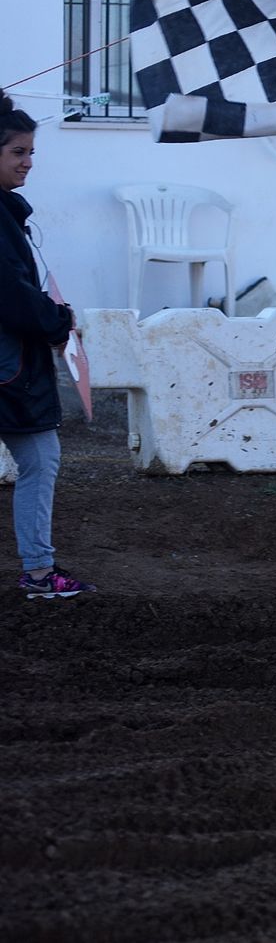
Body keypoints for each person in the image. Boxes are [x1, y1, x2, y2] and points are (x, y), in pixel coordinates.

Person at [0, 88, 96, 600]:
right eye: (18, 152)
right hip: (9, 371)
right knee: (41, 458)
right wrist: (58, 320)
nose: (29, 163)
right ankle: (38, 574)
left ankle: (39, 570)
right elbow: (10, 295)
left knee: (41, 458)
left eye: (32, 152)